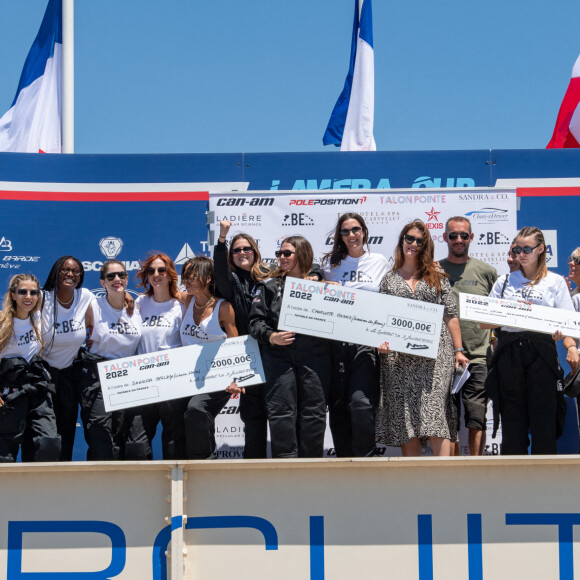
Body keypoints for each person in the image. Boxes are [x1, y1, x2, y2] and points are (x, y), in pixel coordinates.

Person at [376, 220, 469, 457]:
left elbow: (451, 315)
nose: (414, 244)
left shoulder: (437, 276)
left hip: (436, 354)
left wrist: (459, 349)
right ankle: (415, 483)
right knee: (407, 415)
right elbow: (382, 319)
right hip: (399, 357)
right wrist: (382, 343)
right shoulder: (388, 280)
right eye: (410, 238)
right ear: (402, 241)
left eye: (420, 241)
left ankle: (443, 480)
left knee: (435, 412)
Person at [484, 226, 579, 455]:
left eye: (527, 248)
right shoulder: (504, 281)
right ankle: (512, 486)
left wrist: (571, 347)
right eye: (517, 249)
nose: (521, 254)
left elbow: (567, 326)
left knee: (543, 424)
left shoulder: (555, 282)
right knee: (513, 424)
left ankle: (544, 487)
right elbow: (483, 322)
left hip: (542, 353)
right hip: (510, 353)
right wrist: (510, 311)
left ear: (541, 249)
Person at [249, 235, 331, 458]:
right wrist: (271, 336)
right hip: (278, 357)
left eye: (287, 253)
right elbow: (255, 323)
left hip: (314, 357)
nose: (281, 258)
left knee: (313, 413)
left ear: (302, 254)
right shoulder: (269, 287)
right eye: (279, 254)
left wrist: (327, 288)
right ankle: (285, 468)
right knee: (281, 413)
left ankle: (311, 468)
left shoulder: (321, 286)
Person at [321, 213, 388, 457]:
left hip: (365, 342)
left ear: (364, 231)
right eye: (346, 231)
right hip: (336, 343)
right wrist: (324, 286)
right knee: (338, 408)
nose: (352, 235)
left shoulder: (379, 261)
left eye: (356, 229)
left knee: (361, 404)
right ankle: (344, 464)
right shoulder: (329, 264)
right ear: (339, 236)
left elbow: (394, 294)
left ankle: (366, 461)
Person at [439, 217, 497, 456]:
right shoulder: (434, 270)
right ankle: (451, 474)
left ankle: (476, 468)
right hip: (444, 355)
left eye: (464, 235)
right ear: (445, 238)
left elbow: (499, 310)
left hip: (479, 356)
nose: (459, 240)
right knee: (447, 419)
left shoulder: (487, 272)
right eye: (453, 236)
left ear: (471, 237)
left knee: (477, 416)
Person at [214, 220, 270, 458]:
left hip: (276, 352)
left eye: (247, 248)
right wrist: (222, 240)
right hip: (248, 357)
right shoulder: (231, 282)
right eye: (236, 250)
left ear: (255, 251)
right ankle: (253, 467)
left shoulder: (271, 276)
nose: (242, 253)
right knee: (254, 415)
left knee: (281, 413)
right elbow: (219, 270)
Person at [122, 253, 186, 460]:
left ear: (171, 275)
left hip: (172, 382)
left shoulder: (182, 305)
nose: (156, 274)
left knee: (174, 441)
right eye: (151, 271)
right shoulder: (139, 303)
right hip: (143, 382)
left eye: (161, 270)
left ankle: (175, 489)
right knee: (136, 443)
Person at [79, 260, 142, 460]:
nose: (117, 279)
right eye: (111, 276)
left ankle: (121, 486)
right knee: (99, 430)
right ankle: (99, 483)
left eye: (121, 275)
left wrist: (127, 297)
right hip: (99, 377)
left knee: (122, 434)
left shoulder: (138, 306)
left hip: (129, 377)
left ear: (127, 278)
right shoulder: (93, 307)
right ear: (102, 282)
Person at [180, 256, 240, 459]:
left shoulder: (223, 308)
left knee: (197, 409)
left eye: (192, 276)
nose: (186, 281)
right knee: (182, 416)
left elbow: (236, 345)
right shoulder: (187, 300)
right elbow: (158, 293)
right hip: (188, 376)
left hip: (217, 376)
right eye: (185, 276)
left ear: (207, 278)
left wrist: (236, 379)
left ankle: (205, 461)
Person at [0, 274, 60, 462]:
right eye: (23, 292)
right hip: (11, 392)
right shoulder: (2, 323)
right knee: (5, 454)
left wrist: (125, 297)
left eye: (33, 292)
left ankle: (37, 490)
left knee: (49, 443)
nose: (28, 297)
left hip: (37, 389)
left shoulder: (39, 316)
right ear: (13, 294)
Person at [40, 256, 96, 461]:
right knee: (44, 434)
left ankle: (63, 478)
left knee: (67, 432)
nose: (70, 274)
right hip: (44, 375)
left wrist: (126, 297)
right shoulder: (42, 299)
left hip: (70, 377)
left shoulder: (86, 297)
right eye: (65, 270)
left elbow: (109, 309)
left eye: (75, 271)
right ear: (56, 271)